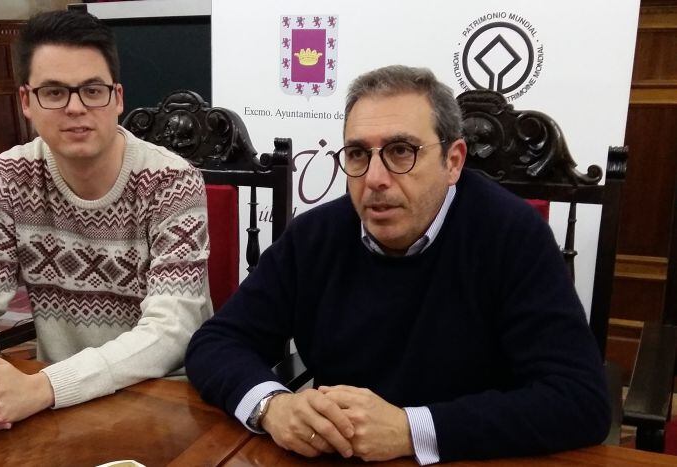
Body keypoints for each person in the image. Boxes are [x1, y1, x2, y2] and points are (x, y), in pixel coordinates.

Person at [185, 65, 610, 464]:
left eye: (401, 151)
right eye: (357, 154)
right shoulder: (315, 235)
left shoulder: (512, 236)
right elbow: (216, 343)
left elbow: (579, 400)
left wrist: (413, 430)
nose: (375, 178)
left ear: (453, 161)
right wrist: (272, 406)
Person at [0, 10, 211, 431]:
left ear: (117, 97)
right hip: (54, 409)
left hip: (161, 401)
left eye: (92, 90)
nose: (76, 107)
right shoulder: (10, 177)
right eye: (54, 92)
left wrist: (46, 387)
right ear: (26, 101)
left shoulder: (171, 182)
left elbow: (171, 331)